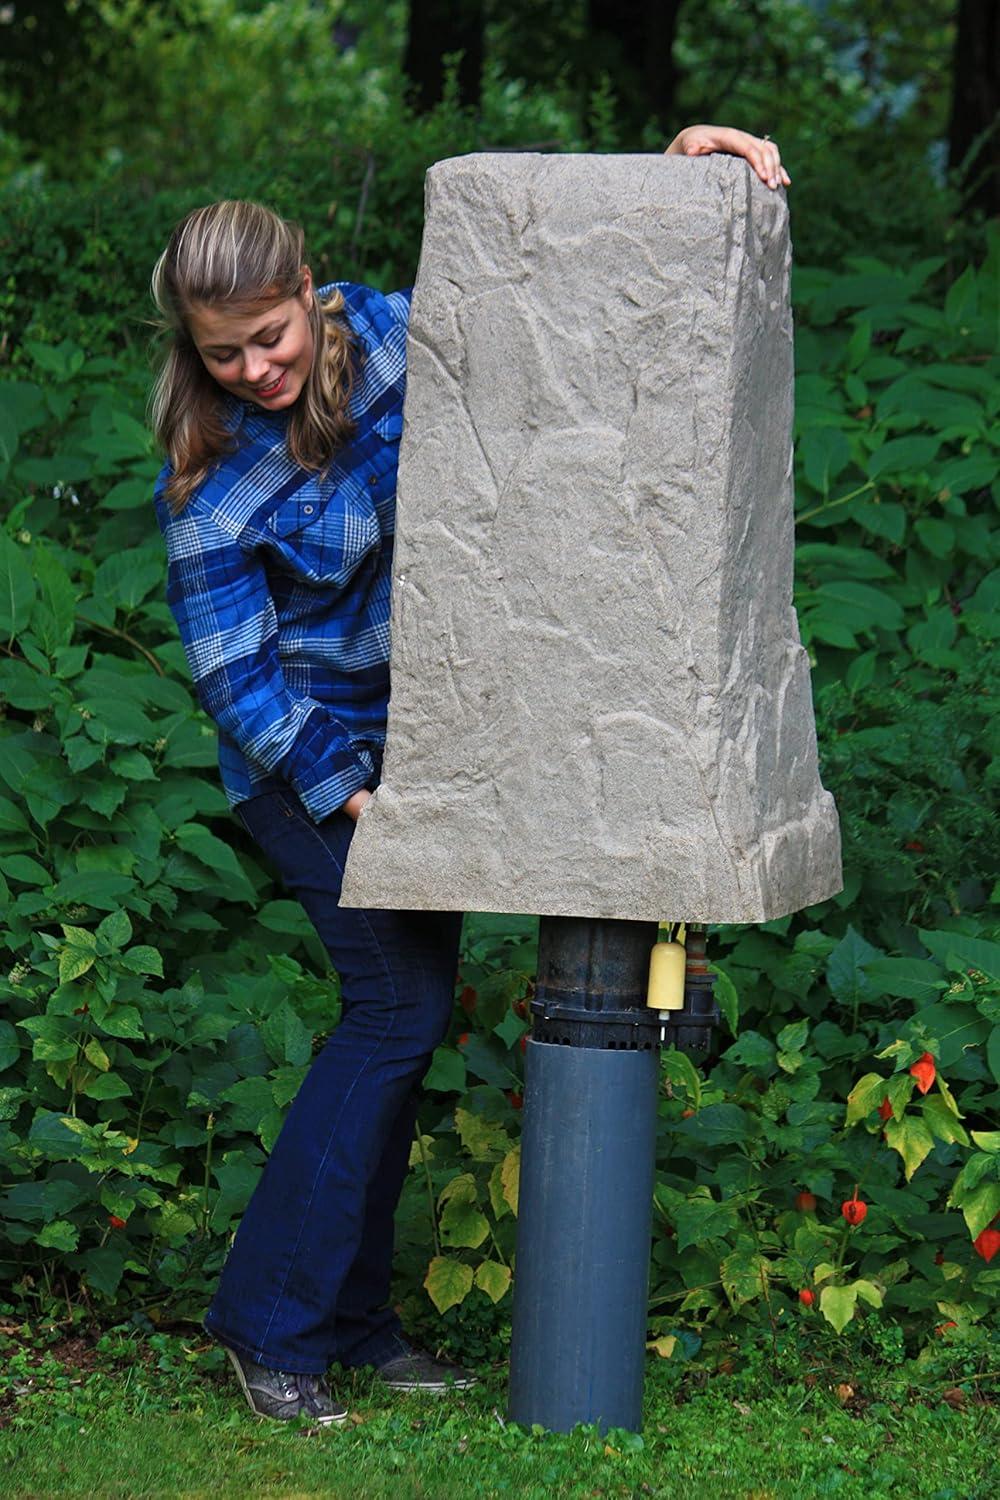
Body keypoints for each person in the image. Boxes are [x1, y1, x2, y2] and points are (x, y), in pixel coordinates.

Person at [150, 124, 787, 1426]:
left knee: (411, 1020)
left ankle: (354, 1322)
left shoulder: (386, 337)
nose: (258, 369)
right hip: (308, 770)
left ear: (308, 291)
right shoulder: (211, 480)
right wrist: (348, 790)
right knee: (392, 1015)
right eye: (226, 353)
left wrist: (667, 173)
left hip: (416, 748)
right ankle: (272, 1323)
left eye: (271, 337)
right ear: (193, 350)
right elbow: (237, 683)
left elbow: (544, 284)